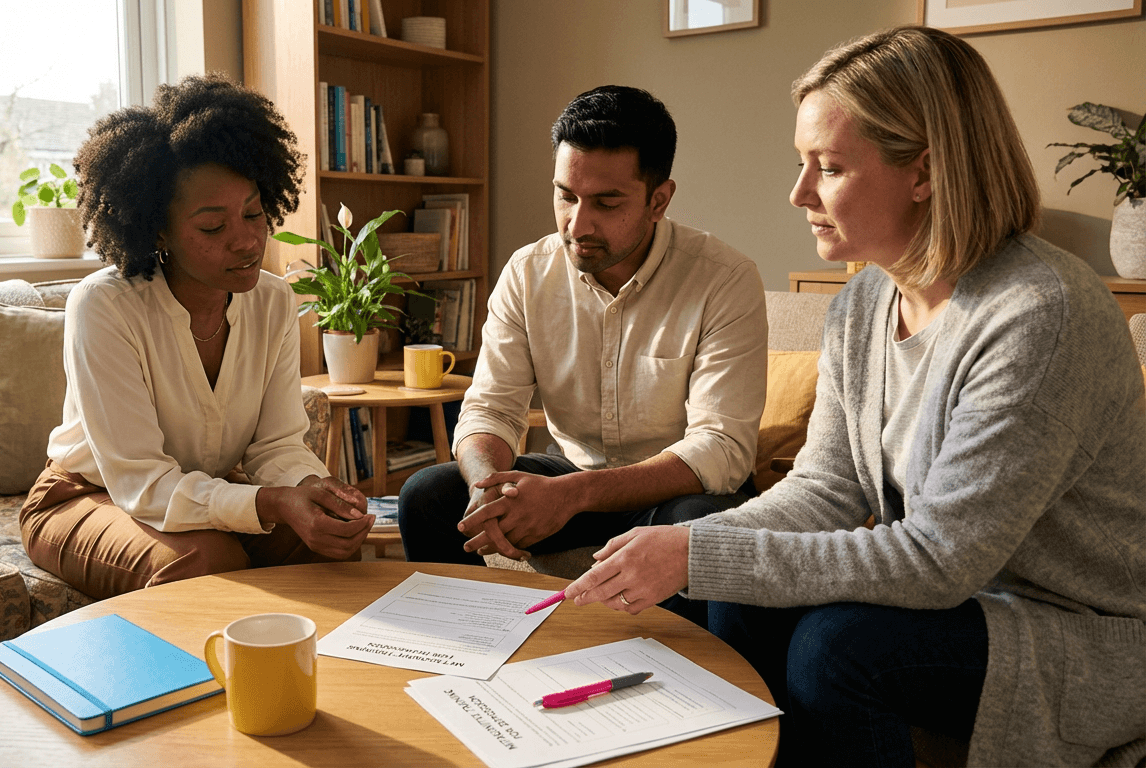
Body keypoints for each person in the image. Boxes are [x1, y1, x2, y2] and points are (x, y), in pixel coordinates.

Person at [563, 27, 1146, 767]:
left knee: (836, 649)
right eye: (801, 163)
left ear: (925, 172)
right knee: (733, 577)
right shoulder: (866, 299)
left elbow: (940, 558)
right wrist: (695, 547)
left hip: (1081, 630)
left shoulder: (1039, 314)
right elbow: (825, 488)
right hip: (968, 604)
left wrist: (698, 556)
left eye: (829, 167)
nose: (799, 193)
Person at [398, 86, 769, 591]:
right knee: (427, 494)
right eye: (565, 196)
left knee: (700, 522)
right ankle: (480, 646)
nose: (578, 223)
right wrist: (488, 486)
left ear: (658, 200)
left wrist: (574, 494)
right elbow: (491, 409)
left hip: (675, 492)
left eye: (606, 202)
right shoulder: (528, 272)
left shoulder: (724, 279)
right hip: (573, 475)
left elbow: (721, 450)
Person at [20, 73, 373, 600]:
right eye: (213, 227)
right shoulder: (105, 307)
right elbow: (141, 483)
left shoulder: (273, 300)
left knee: (321, 541)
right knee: (209, 561)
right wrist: (269, 504)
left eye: (254, 213)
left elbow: (275, 443)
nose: (248, 240)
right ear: (158, 230)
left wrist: (308, 490)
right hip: (88, 496)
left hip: (192, 489)